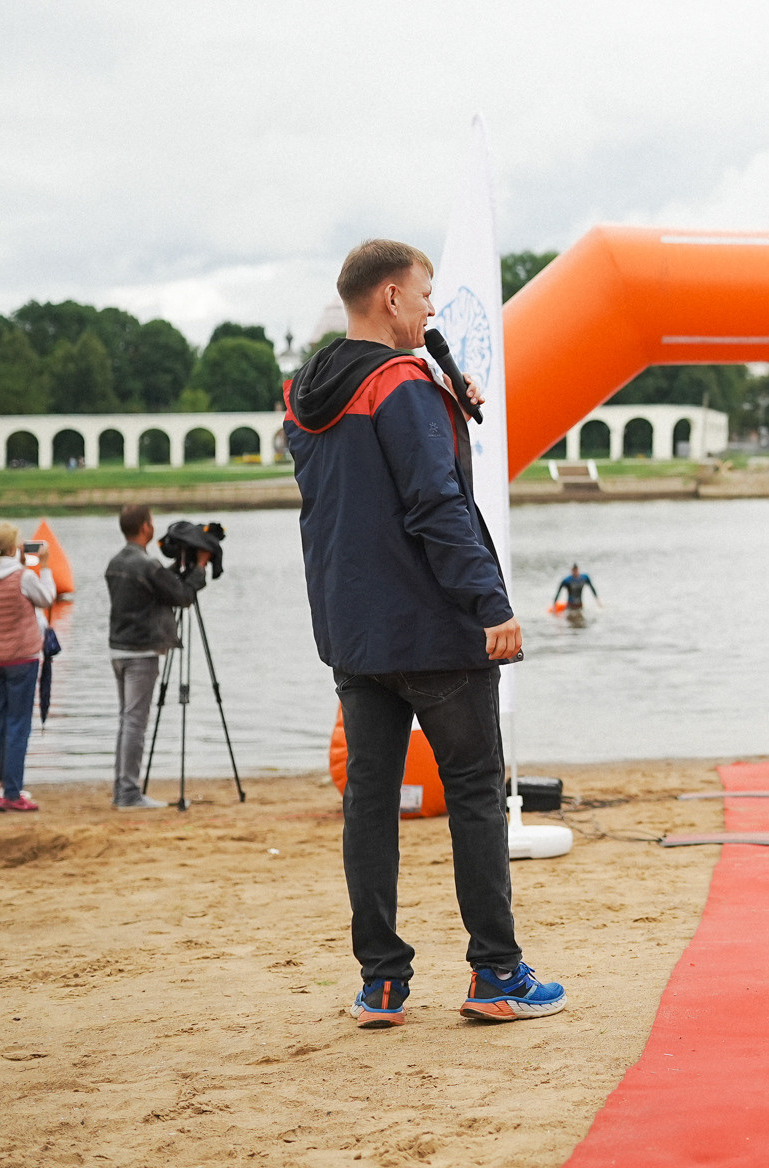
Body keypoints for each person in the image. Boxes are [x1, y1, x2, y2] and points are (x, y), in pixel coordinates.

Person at [285, 237, 564, 1029]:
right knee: (477, 792)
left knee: (368, 802)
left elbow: (359, 500)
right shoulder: (400, 384)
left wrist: (445, 408)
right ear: (391, 298)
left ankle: (380, 984)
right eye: (425, 293)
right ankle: (497, 975)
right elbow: (433, 506)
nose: (434, 307)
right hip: (434, 630)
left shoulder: (309, 392)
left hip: (353, 634)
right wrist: (490, 605)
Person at [105, 504, 207, 810]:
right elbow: (182, 596)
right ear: (145, 527)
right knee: (135, 722)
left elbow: (162, 588)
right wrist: (199, 568)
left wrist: (179, 569)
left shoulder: (116, 562)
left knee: (127, 720)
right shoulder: (146, 565)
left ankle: (121, 789)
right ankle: (128, 794)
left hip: (118, 651)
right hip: (141, 653)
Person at [0, 523, 54, 813]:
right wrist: (43, 565)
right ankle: (13, 792)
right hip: (22, 658)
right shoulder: (22, 576)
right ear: (12, 549)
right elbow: (47, 598)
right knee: (18, 726)